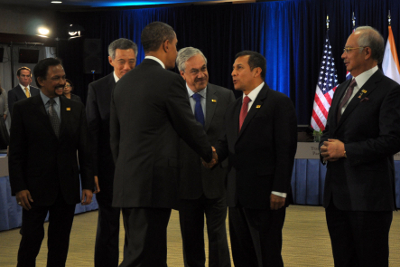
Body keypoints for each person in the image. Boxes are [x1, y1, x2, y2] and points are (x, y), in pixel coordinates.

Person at [110, 21, 216, 267]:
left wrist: (127, 171)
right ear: (166, 45)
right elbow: (187, 125)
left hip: (128, 181)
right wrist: (208, 152)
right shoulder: (169, 81)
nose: (177, 51)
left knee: (149, 252)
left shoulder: (122, 83)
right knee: (141, 255)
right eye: (176, 46)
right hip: (153, 183)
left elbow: (115, 138)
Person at [320, 26, 400, 267]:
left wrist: (345, 150)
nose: (342, 55)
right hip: (336, 198)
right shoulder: (342, 89)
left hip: (368, 200)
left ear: (367, 52)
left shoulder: (390, 91)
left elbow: (392, 140)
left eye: (348, 50)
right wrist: (325, 147)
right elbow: (329, 131)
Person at [214, 51, 297, 267]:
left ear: (257, 71)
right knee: (242, 257)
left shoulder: (278, 102)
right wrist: (210, 155)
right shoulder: (233, 107)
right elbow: (226, 144)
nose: (233, 73)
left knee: (267, 256)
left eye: (239, 68)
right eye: (233, 68)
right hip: (236, 196)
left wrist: (280, 189)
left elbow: (285, 150)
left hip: (265, 195)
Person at [8, 58, 94, 267]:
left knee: (60, 243)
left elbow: (85, 149)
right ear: (40, 81)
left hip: (66, 190)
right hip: (34, 192)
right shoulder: (23, 108)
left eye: (63, 77)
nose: (62, 82)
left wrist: (88, 184)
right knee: (30, 241)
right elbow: (16, 153)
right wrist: (19, 188)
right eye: (56, 78)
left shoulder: (76, 108)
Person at [176, 47, 233, 267]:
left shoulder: (225, 96)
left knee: (219, 239)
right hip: (186, 183)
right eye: (194, 71)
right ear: (182, 74)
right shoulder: (174, 99)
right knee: (191, 242)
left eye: (204, 68)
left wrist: (217, 155)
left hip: (216, 180)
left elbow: (229, 135)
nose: (201, 75)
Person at [86, 38, 138, 267]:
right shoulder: (97, 89)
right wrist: (92, 172)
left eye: (132, 62)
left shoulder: (145, 85)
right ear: (110, 60)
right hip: (107, 172)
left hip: (137, 171)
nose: (127, 67)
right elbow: (92, 135)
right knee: (107, 228)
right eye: (121, 62)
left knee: (135, 229)